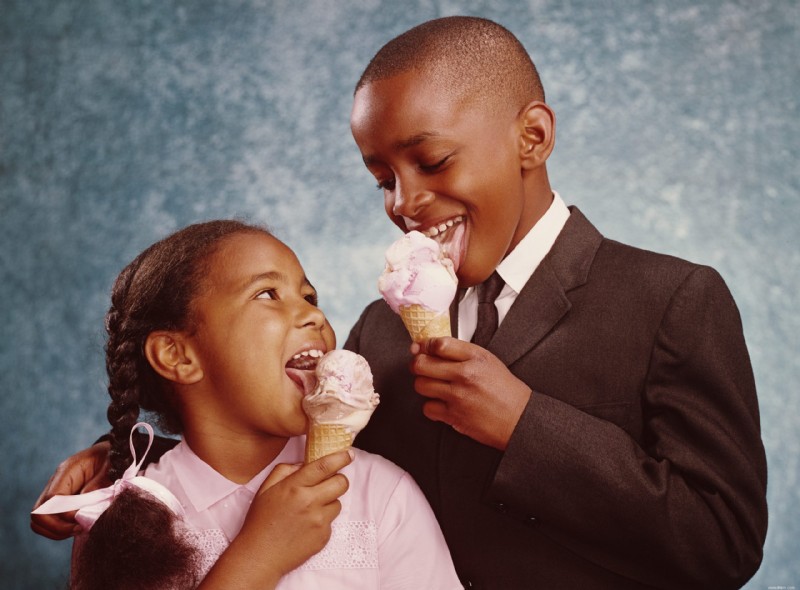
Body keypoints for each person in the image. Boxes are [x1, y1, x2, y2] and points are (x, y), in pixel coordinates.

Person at [32, 16, 768, 590]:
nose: (405, 201)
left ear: (533, 137)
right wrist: (125, 462)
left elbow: (724, 543)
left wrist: (526, 427)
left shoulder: (671, 299)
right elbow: (293, 440)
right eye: (381, 176)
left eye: (432, 160)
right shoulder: (382, 330)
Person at [31, 220, 461, 589]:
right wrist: (259, 556)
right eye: (267, 295)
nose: (314, 316)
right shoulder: (120, 520)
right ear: (177, 356)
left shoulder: (380, 494)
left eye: (310, 297)